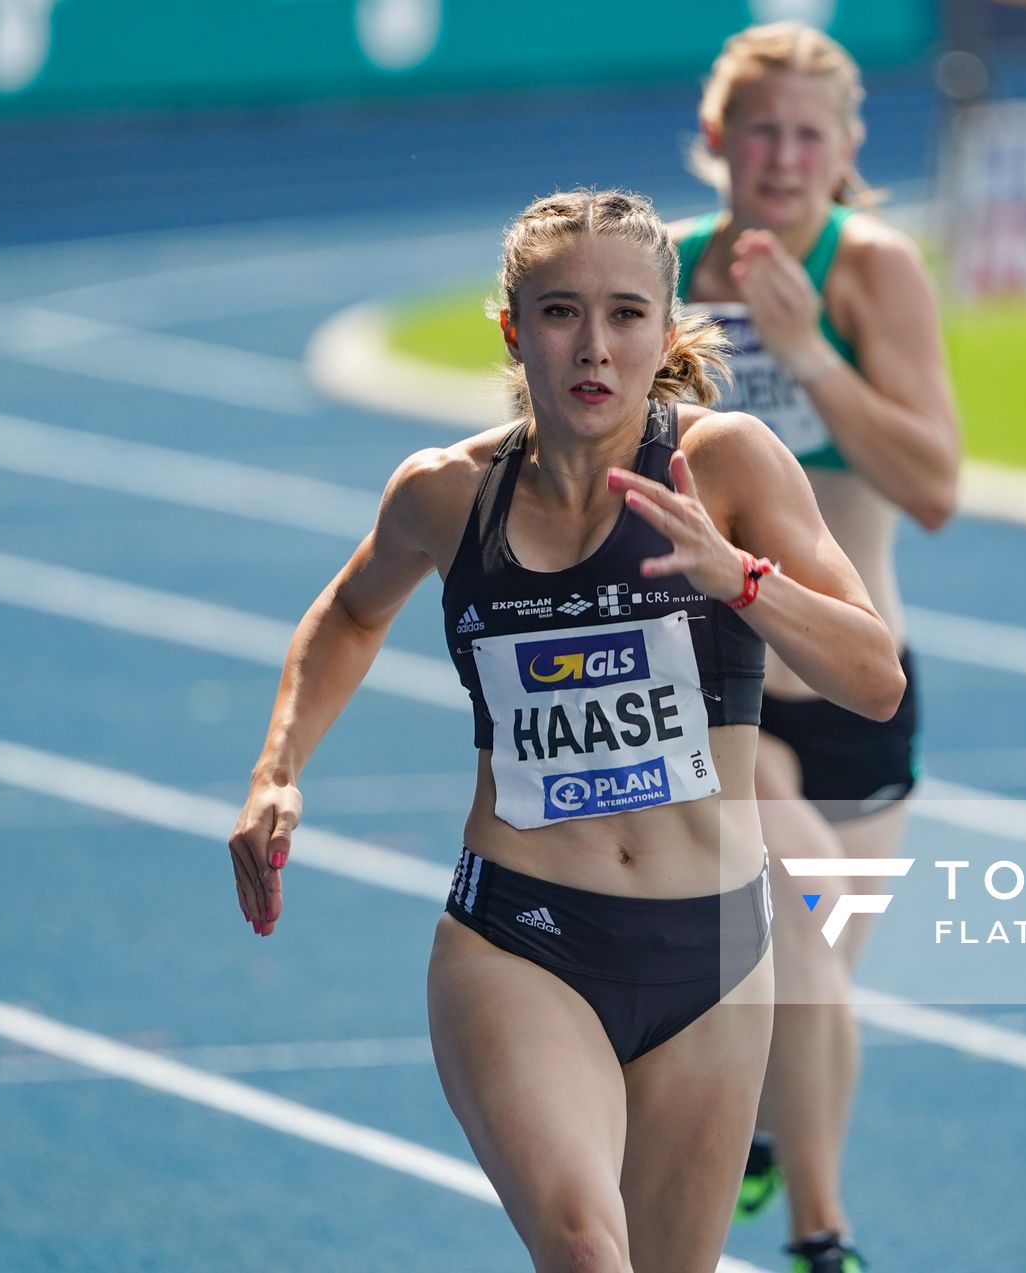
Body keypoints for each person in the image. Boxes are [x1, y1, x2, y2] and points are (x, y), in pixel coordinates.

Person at [227, 188, 904, 1273]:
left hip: (715, 955)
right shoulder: (447, 496)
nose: (595, 345)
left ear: (667, 327)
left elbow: (874, 678)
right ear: (511, 327)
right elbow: (352, 612)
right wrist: (277, 769)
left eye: (627, 314)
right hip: (524, 939)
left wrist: (741, 582)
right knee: (589, 1252)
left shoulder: (730, 467)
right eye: (560, 313)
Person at [673, 22, 962, 1273]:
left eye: (809, 135)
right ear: (715, 141)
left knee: (805, 1006)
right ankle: (825, 1242)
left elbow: (936, 484)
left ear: (846, 150)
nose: (782, 158)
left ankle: (765, 1148)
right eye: (760, 131)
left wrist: (804, 357)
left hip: (859, 682)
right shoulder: (664, 278)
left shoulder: (873, 272)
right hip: (719, 687)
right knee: (791, 945)